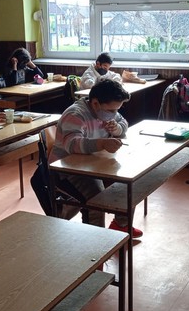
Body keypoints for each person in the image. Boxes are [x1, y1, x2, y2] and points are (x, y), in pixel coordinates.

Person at [49, 78, 143, 237]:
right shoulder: (75, 114)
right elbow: (72, 144)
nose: (114, 114)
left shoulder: (106, 110)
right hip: (66, 167)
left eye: (117, 110)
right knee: (97, 198)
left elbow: (123, 123)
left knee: (128, 184)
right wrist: (102, 143)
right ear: (95, 103)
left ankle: (121, 225)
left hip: (94, 163)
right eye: (111, 110)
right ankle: (95, 239)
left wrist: (117, 128)